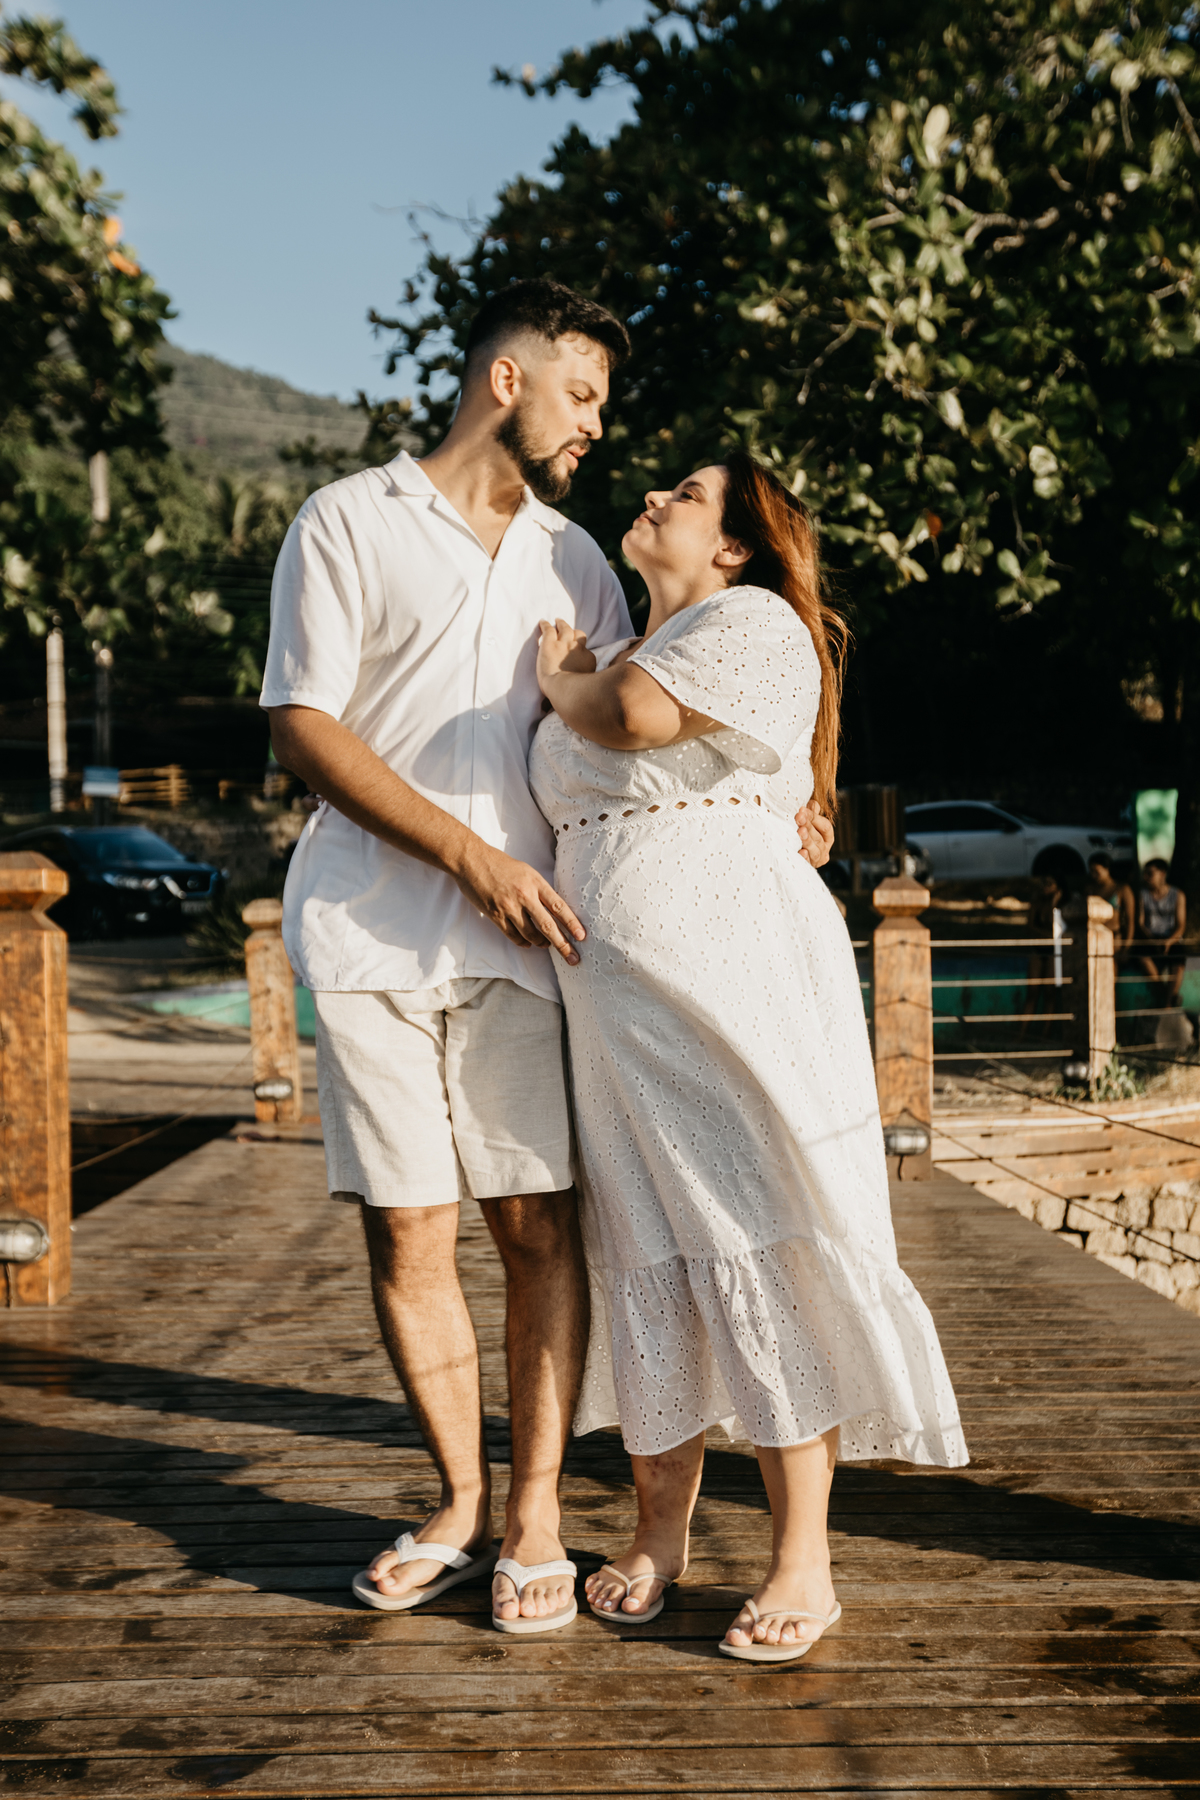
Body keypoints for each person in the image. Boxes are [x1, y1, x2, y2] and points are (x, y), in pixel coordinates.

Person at [260, 279, 836, 1634]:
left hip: (537, 954)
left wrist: (787, 799)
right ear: (507, 379)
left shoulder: (577, 561)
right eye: (583, 398)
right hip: (367, 927)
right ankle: (461, 1505)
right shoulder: (346, 521)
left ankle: (532, 1519)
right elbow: (303, 724)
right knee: (409, 1231)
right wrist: (470, 860)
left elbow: (673, 713)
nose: (597, 431)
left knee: (534, 1228)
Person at [530, 452, 967, 1664]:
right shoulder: (638, 634)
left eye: (685, 493)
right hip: (613, 1019)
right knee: (647, 1256)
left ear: (733, 545)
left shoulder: (749, 620)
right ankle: (658, 1532)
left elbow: (631, 722)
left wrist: (566, 675)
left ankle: (801, 1560)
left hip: (729, 992)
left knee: (753, 1240)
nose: (656, 496)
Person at [1138, 858, 1187, 1010]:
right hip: (1151, 938)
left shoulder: (1177, 895)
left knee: (1178, 962)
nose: (1146, 877)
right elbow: (1140, 923)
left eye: (1150, 873)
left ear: (1162, 874)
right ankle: (1166, 994)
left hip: (1170, 938)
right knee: (1143, 957)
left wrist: (1169, 941)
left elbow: (1180, 925)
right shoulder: (1143, 894)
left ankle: (1167, 1004)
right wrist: (1151, 939)